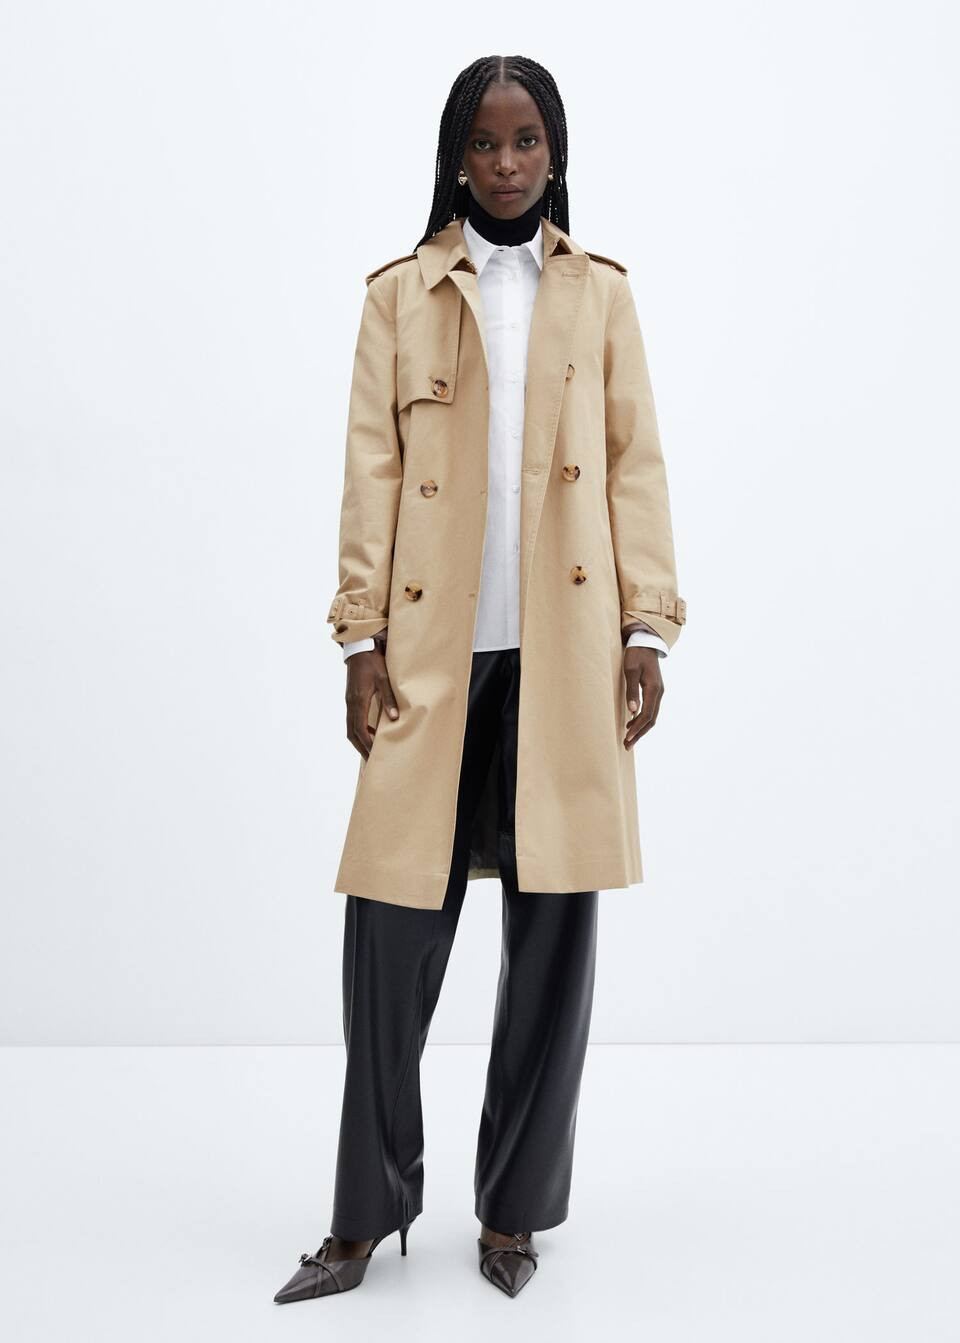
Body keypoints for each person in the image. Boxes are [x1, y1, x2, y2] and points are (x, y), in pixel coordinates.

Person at [274, 53, 685, 1304]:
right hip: (429, 663)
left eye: (528, 140)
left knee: (553, 943)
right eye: (486, 143)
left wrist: (648, 628)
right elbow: (371, 472)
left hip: (566, 654)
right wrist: (358, 641)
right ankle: (364, 1213)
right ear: (456, 157)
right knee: (387, 939)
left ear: (555, 152)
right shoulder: (400, 294)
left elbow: (635, 464)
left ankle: (512, 1212)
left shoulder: (600, 294)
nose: (507, 163)